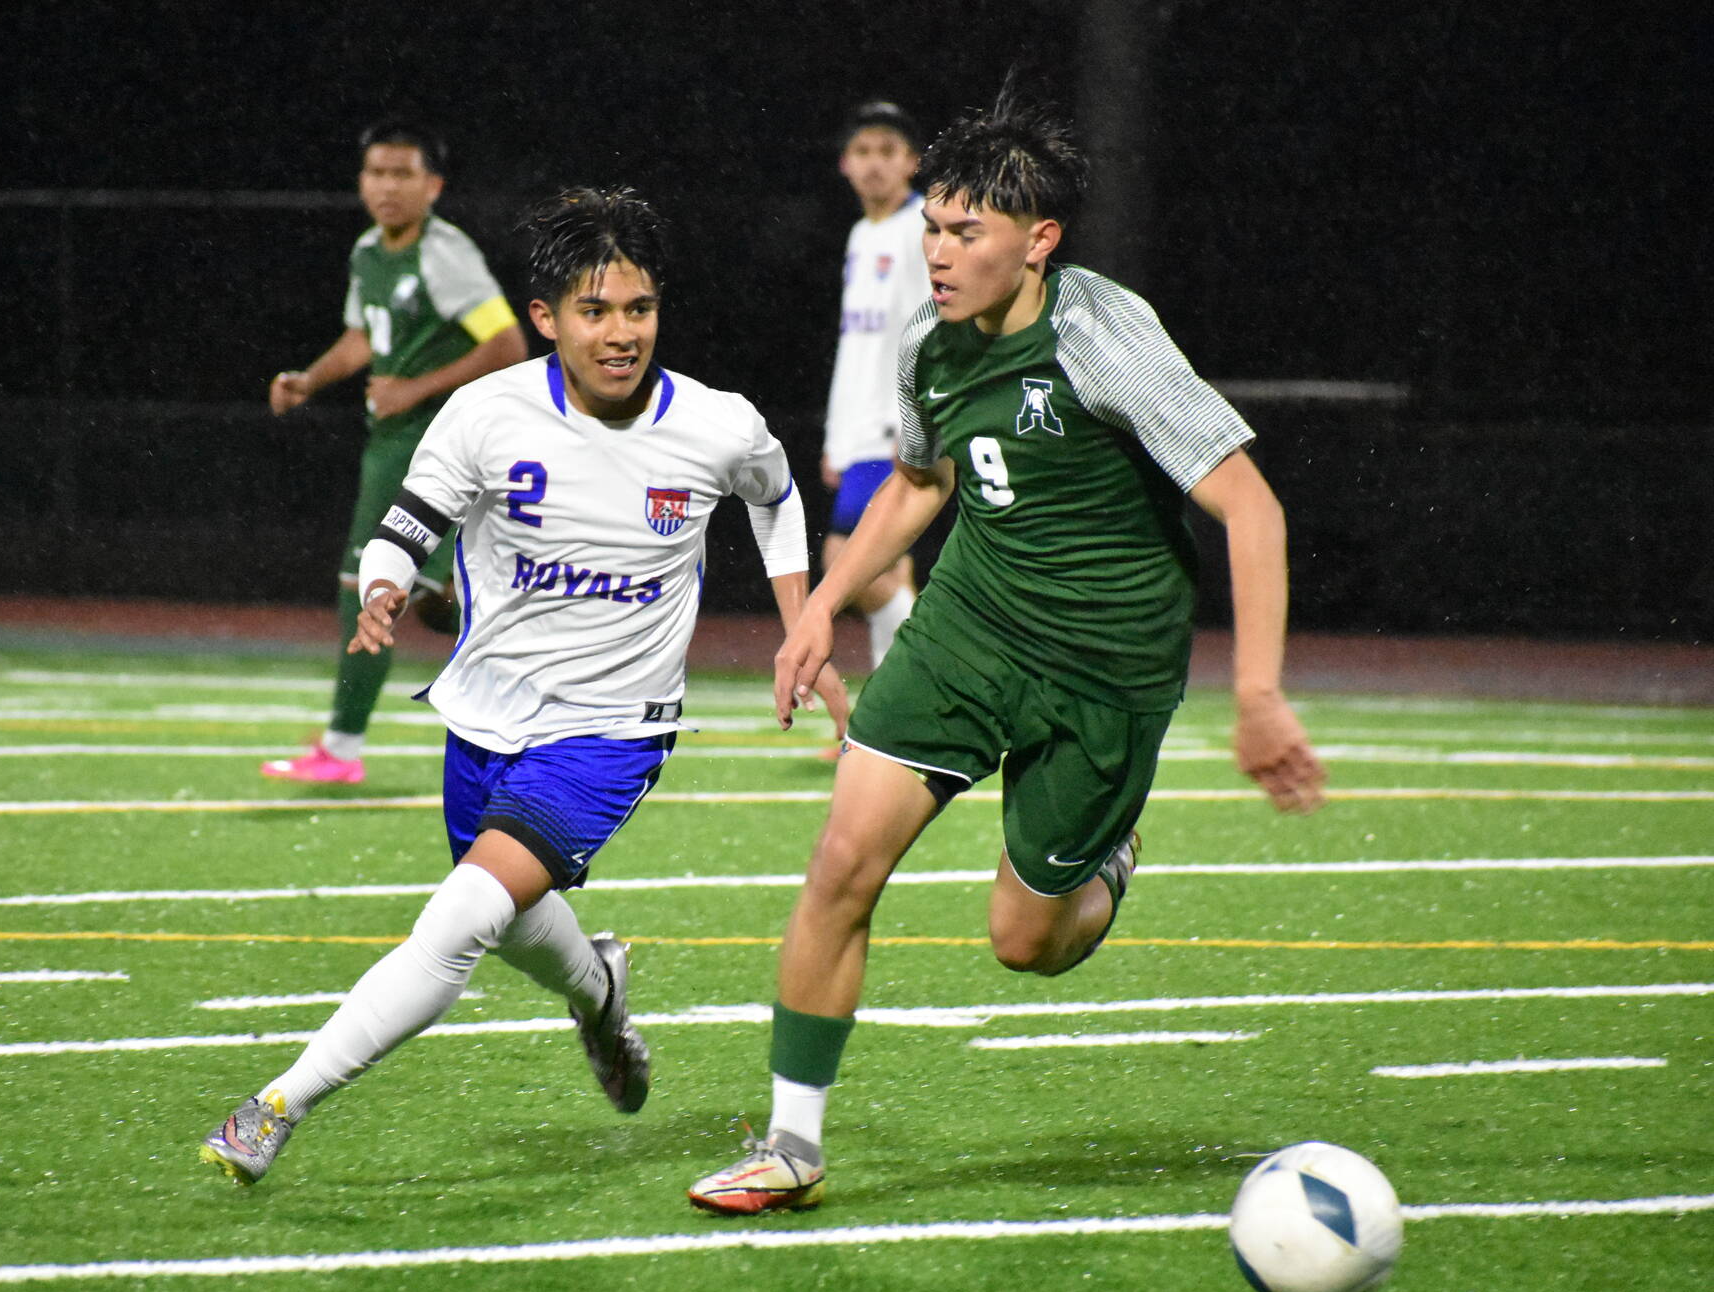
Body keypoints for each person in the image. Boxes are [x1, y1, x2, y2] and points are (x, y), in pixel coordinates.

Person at [687, 94, 1328, 1215]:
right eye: (932, 228)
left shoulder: (1098, 335)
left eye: (964, 232)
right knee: (841, 861)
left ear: (1037, 242)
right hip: (970, 632)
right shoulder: (932, 349)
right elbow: (925, 482)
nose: (935, 253)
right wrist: (824, 603)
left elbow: (1252, 509)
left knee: (1022, 942)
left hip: (1104, 668)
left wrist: (1259, 694)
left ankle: (1102, 866)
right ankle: (790, 1144)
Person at [201, 186, 848, 1187]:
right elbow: (404, 529)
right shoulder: (487, 414)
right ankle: (596, 990)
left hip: (611, 733)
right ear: (544, 317)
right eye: (595, 312)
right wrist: (381, 587)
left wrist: (799, 618)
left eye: (638, 308)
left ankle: (277, 1104)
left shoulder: (716, 425)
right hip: (484, 714)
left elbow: (775, 498)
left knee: (459, 920)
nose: (621, 332)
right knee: (503, 919)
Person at [261, 119, 526, 785]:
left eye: (402, 173)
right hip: (394, 443)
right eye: (376, 172)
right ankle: (493, 620)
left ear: (433, 185)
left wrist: (414, 389)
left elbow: (507, 345)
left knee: (363, 587)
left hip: (435, 441)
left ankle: (342, 748)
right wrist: (309, 380)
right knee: (422, 598)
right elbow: (361, 338)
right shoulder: (368, 253)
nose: (386, 186)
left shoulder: (443, 252)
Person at [821, 101, 928, 681]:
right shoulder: (863, 234)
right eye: (863, 152)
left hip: (893, 428)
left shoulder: (921, 231)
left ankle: (931, 664)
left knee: (845, 562)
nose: (874, 165)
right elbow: (859, 344)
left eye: (888, 152)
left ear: (912, 162)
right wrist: (837, 438)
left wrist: (913, 426)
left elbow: (932, 332)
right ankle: (895, 718)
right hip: (858, 431)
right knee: (893, 568)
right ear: (844, 163)